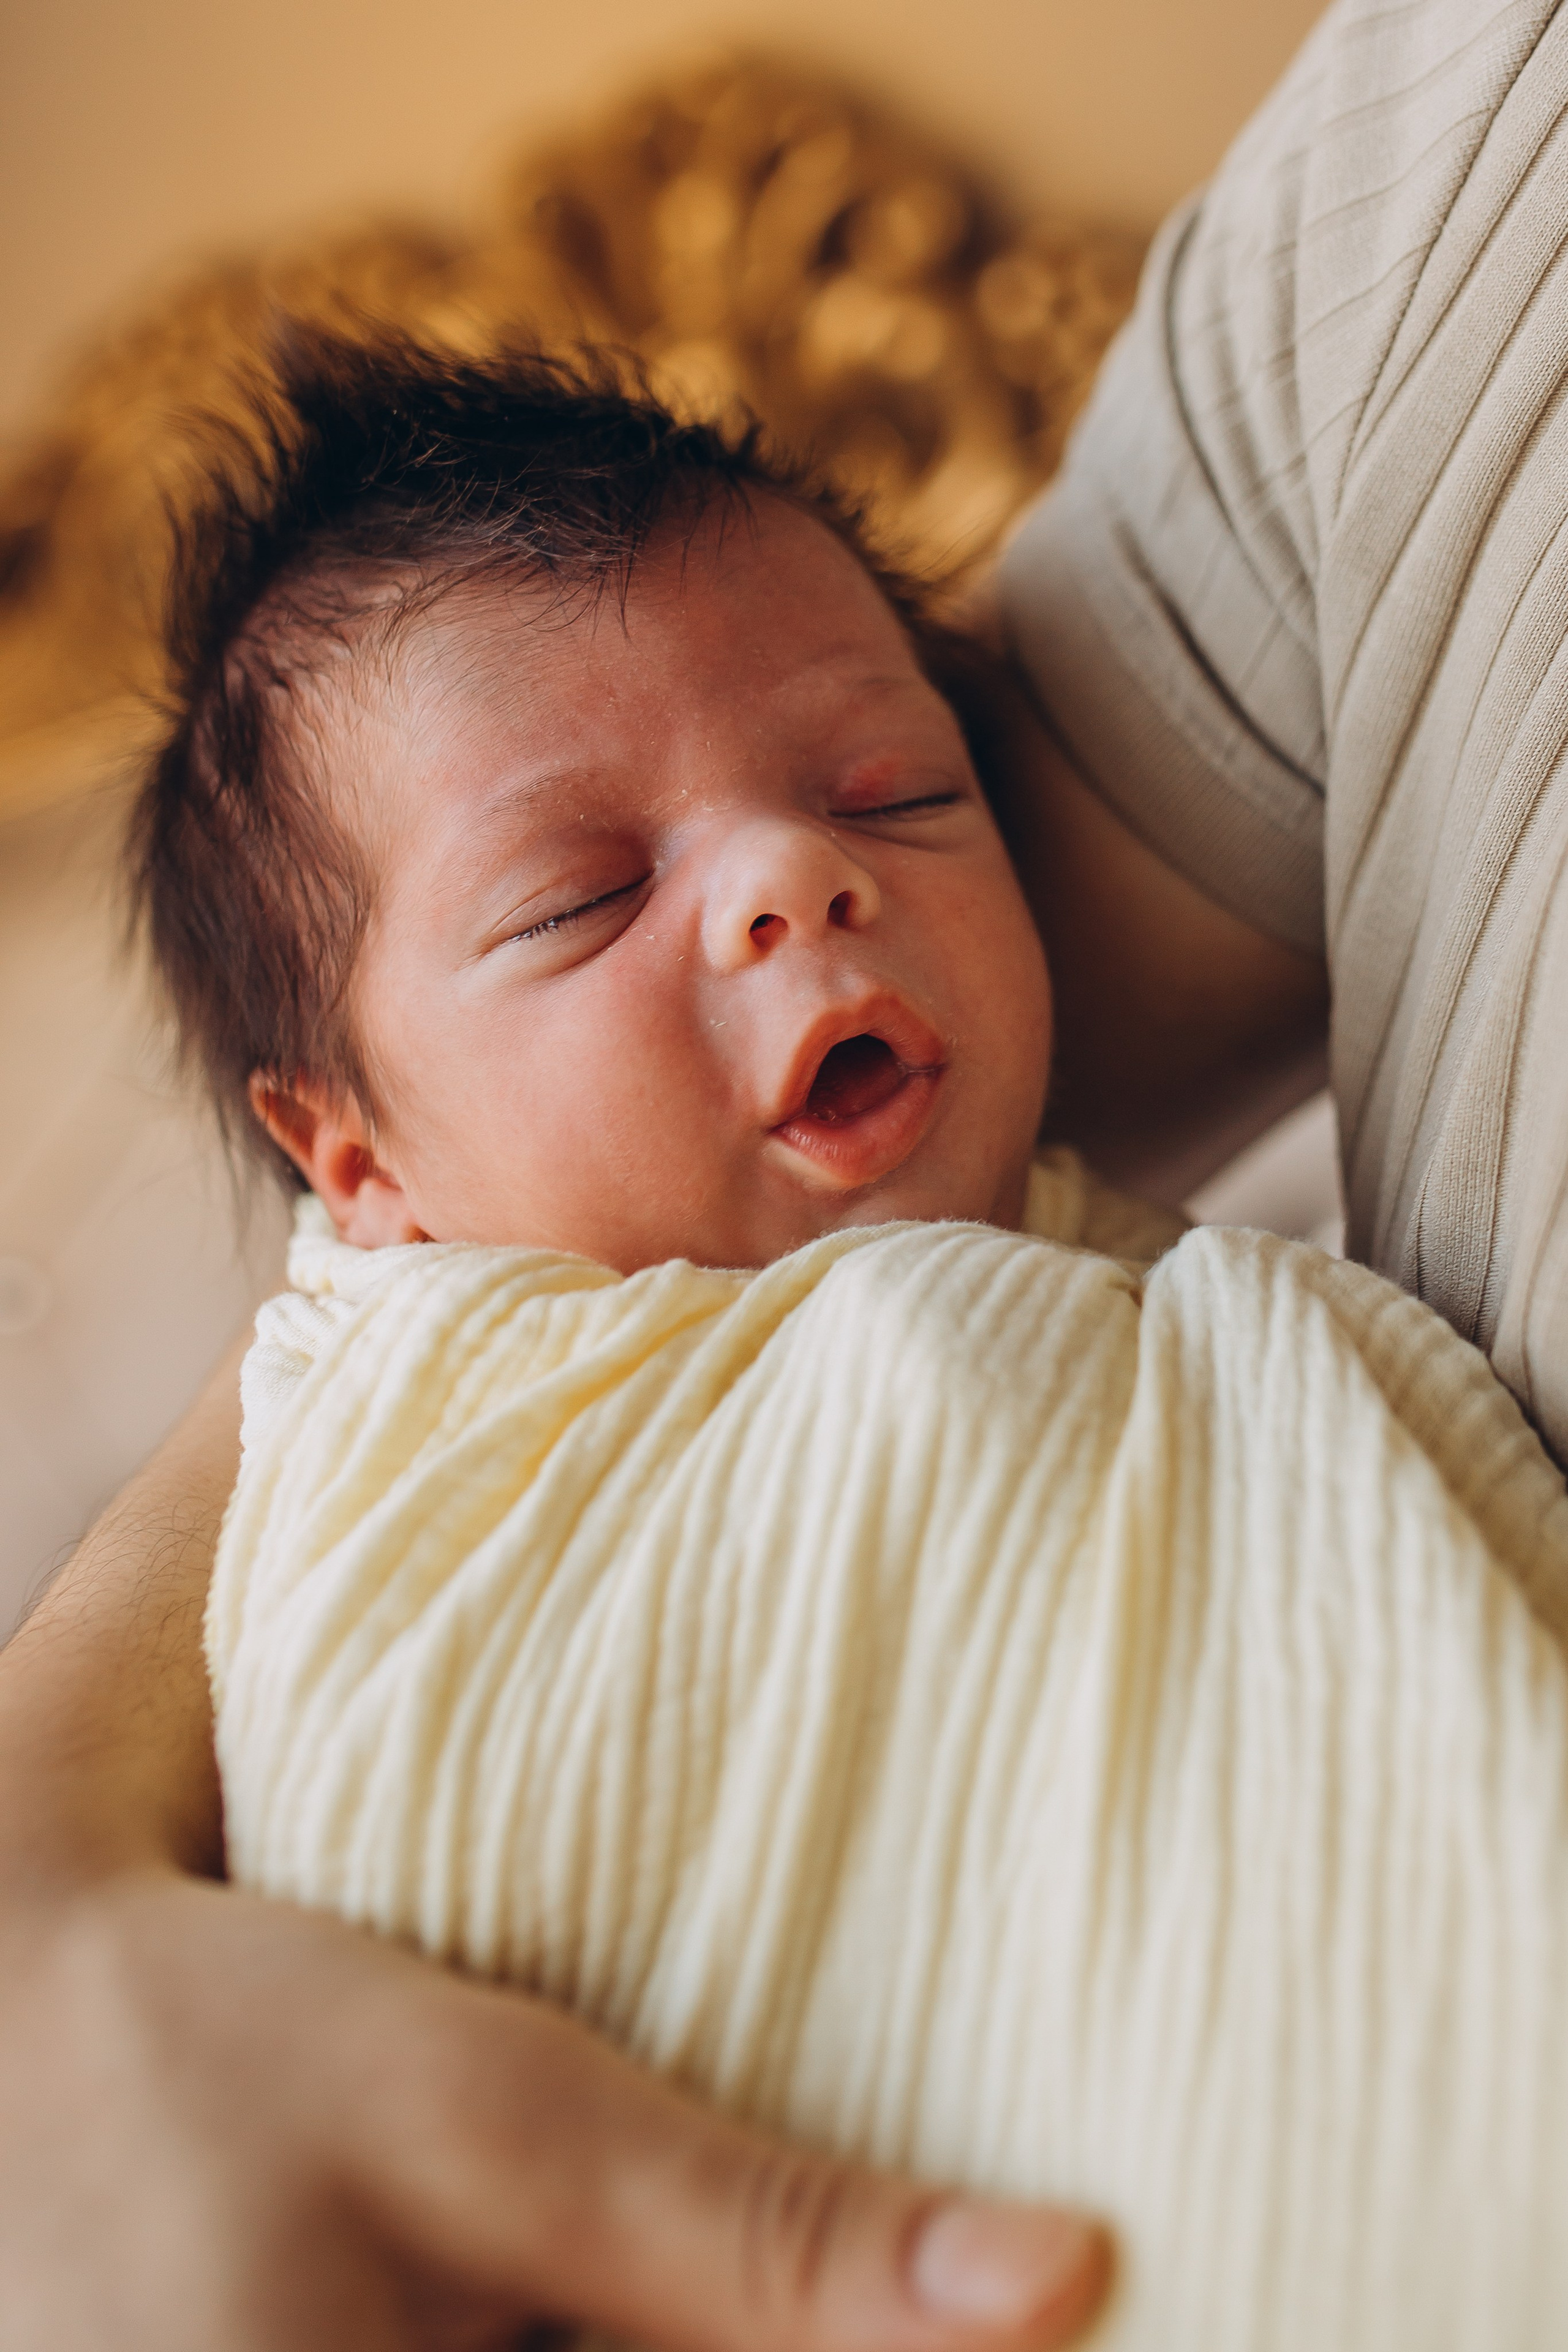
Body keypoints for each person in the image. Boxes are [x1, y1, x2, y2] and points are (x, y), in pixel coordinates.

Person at [2, 0, 1564, 2340]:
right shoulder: (1453, 189)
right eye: (577, 896)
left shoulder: (1187, 1322)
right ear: (354, 1156)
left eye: (892, 793)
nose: (789, 885)